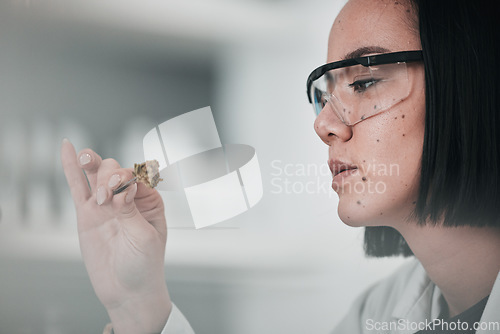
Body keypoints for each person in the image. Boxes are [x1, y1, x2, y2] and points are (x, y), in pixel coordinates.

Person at [61, 0, 500, 333]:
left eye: (363, 82)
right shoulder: (377, 315)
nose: (325, 124)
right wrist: (138, 304)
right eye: (324, 96)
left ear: (468, 83)